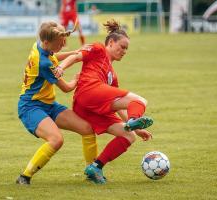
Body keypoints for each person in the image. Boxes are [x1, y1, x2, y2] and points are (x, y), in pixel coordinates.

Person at [54, 19, 153, 184]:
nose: (124, 51)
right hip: (87, 92)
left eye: (126, 49)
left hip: (90, 109)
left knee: (128, 136)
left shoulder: (112, 75)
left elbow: (118, 104)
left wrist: (133, 128)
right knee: (140, 100)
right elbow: (77, 56)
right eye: (122, 47)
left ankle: (96, 167)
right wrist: (61, 67)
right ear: (111, 42)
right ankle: (134, 121)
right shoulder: (98, 48)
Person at [16, 21, 97, 185]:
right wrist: (76, 80)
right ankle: (24, 177)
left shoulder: (39, 45)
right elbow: (66, 88)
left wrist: (76, 52)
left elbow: (53, 56)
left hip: (48, 105)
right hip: (30, 107)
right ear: (47, 42)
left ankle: (92, 172)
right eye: (59, 45)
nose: (61, 48)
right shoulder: (43, 63)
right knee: (56, 140)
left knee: (87, 129)